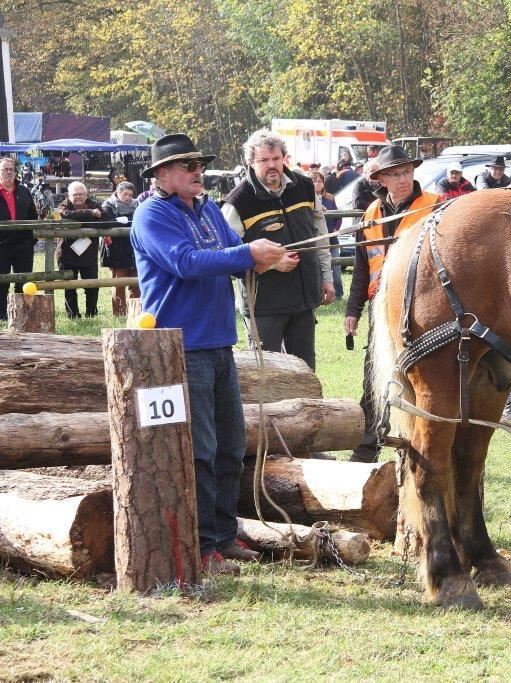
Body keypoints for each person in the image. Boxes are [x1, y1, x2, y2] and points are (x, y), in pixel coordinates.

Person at [131, 133, 294, 575]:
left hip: (219, 342)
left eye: (199, 164)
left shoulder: (205, 209)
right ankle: (203, 546)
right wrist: (248, 252)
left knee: (229, 445)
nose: (197, 171)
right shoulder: (151, 214)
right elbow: (185, 262)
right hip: (181, 346)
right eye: (187, 166)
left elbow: (228, 254)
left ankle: (223, 535)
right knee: (200, 449)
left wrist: (261, 260)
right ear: (162, 174)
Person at [346, 145, 440, 462]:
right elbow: (362, 267)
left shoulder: (435, 207)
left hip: (424, 306)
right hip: (380, 308)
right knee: (374, 378)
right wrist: (352, 311)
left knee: (420, 379)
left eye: (406, 172)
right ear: (381, 178)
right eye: (395, 174)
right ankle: (366, 449)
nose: (402, 179)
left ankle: (416, 445)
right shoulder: (370, 214)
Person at [221, 129, 332, 370]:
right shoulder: (238, 201)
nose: (272, 165)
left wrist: (327, 278)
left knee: (305, 370)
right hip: (263, 305)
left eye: (276, 158)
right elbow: (226, 258)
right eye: (263, 160)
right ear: (251, 162)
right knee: (266, 375)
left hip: (304, 301)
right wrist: (271, 264)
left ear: (284, 158)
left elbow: (321, 237)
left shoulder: (304, 186)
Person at [56, 181, 104, 318]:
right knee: (69, 287)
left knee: (92, 286)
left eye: (81, 194)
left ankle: (91, 313)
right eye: (75, 194)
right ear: (69, 195)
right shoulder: (64, 204)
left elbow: (106, 218)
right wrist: (89, 214)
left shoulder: (95, 204)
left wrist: (81, 219)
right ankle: (73, 315)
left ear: (86, 195)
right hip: (66, 254)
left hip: (88, 253)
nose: (78, 197)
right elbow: (65, 214)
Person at [0, 157, 39, 322]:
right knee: (1, 281)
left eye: (11, 169)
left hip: (23, 244)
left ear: (16, 172)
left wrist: (30, 239)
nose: (8, 172)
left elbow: (33, 215)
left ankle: (22, 314)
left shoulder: (24, 191)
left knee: (23, 280)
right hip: (1, 245)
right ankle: (2, 315)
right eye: (4, 169)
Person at [100, 181, 141, 316]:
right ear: (118, 192)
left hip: (133, 246)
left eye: (130, 195)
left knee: (135, 281)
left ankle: (136, 311)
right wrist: (117, 221)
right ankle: (119, 312)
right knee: (119, 281)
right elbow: (106, 221)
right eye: (125, 194)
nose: (128, 197)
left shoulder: (137, 204)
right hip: (116, 247)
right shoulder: (108, 205)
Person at [310, 169, 344, 302]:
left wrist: (335, 229)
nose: (318, 183)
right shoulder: (306, 199)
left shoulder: (330, 197)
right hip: (316, 241)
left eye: (320, 181)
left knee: (335, 269)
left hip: (332, 239)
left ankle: (339, 294)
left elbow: (338, 216)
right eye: (314, 181)